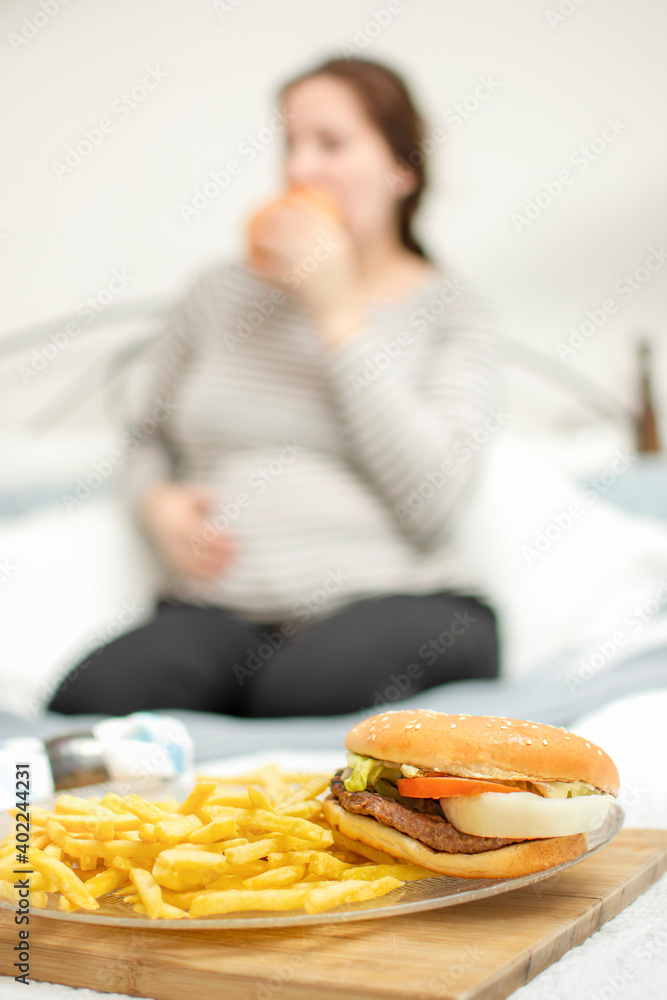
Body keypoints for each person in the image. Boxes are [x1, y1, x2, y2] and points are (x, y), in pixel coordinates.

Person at [48, 56, 506, 719]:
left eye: (331, 143)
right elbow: (149, 437)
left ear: (401, 170)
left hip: (403, 604)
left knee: (311, 694)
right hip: (225, 613)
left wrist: (336, 314)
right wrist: (155, 504)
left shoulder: (452, 312)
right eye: (290, 144)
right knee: (94, 702)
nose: (298, 169)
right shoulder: (216, 295)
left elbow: (433, 500)